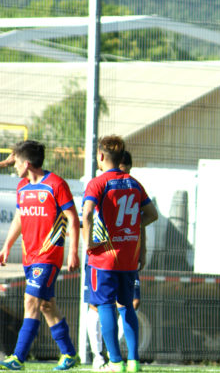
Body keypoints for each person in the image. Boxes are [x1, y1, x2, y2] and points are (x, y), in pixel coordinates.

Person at [0, 140, 81, 371]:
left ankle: (18, 358)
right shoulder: (22, 187)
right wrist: (7, 246)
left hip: (48, 256)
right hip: (30, 256)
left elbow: (72, 218)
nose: (13, 166)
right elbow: (19, 217)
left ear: (26, 164)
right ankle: (69, 354)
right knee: (46, 305)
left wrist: (72, 252)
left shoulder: (56, 184)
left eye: (15, 162)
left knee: (31, 302)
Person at [82, 137, 158, 373]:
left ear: (101, 157)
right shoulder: (134, 183)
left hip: (104, 258)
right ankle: (133, 362)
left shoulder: (97, 183)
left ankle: (115, 362)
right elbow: (152, 214)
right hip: (128, 257)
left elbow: (86, 216)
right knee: (126, 307)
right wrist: (132, 230)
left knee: (104, 305)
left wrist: (90, 243)